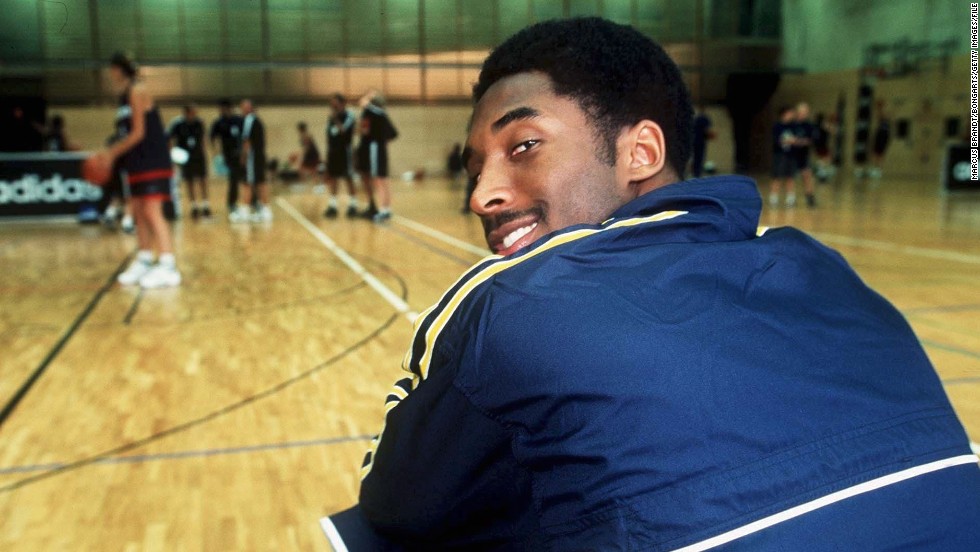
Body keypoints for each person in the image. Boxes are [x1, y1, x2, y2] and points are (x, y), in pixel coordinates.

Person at [322, 18, 980, 550]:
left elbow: (392, 505)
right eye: (476, 168)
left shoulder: (511, 300)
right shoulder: (822, 267)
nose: (483, 195)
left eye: (523, 146)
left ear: (641, 153)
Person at [93, 52, 180, 288]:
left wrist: (112, 153)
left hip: (152, 158)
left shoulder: (137, 90)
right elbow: (124, 133)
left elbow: (139, 133)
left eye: (111, 69)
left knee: (152, 210)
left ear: (118, 69)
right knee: (139, 210)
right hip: (136, 160)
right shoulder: (122, 97)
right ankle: (144, 260)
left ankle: (168, 266)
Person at [354, 91, 398, 223]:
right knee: (383, 178)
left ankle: (384, 210)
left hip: (374, 149)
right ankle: (386, 209)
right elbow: (394, 133)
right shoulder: (382, 115)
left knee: (378, 179)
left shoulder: (371, 112)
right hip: (380, 148)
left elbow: (364, 131)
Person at [231, 99, 272, 223]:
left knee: (247, 183)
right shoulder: (257, 120)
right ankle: (265, 210)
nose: (242, 109)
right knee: (259, 182)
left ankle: (245, 211)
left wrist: (243, 157)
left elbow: (247, 140)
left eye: (245, 107)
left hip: (252, 158)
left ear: (250, 108)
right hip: (259, 156)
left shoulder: (249, 120)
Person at [168, 104, 211, 219]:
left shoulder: (199, 123)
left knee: (202, 180)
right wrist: (172, 155)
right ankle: (194, 206)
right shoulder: (177, 124)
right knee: (189, 181)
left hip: (198, 155)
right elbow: (170, 139)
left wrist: (204, 153)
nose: (194, 114)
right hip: (185, 157)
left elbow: (203, 139)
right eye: (192, 112)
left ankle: (205, 204)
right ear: (186, 113)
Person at [323, 93, 359, 218]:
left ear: (342, 103)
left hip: (345, 151)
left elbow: (344, 131)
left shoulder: (348, 115)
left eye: (335, 104)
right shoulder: (330, 118)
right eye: (331, 104)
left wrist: (335, 119)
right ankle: (333, 206)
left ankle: (353, 205)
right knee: (333, 178)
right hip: (333, 152)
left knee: (348, 177)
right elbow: (329, 135)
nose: (333, 106)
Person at [210, 98, 245, 212]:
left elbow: (246, 137)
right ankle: (232, 203)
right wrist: (216, 153)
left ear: (229, 108)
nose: (222, 111)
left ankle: (252, 201)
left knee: (247, 179)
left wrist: (245, 152)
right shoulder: (219, 123)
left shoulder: (239, 120)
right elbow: (212, 138)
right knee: (233, 179)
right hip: (229, 156)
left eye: (223, 109)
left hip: (241, 154)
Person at [768, 105, 798, 207]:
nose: (792, 115)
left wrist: (795, 141)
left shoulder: (793, 126)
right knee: (777, 176)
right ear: (784, 114)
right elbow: (777, 140)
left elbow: (797, 139)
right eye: (790, 113)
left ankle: (790, 198)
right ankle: (773, 197)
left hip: (791, 154)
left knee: (790, 176)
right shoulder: (777, 126)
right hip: (779, 155)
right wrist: (787, 140)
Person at [791, 102, 818, 208]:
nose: (804, 114)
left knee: (807, 175)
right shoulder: (792, 124)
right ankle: (791, 198)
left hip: (804, 154)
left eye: (806, 112)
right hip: (792, 155)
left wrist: (802, 142)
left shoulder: (809, 125)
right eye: (802, 112)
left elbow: (811, 140)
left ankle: (810, 197)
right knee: (791, 177)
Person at [870, 100, 891, 179]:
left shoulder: (886, 114)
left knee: (880, 153)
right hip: (880, 133)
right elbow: (879, 116)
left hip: (884, 134)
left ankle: (878, 170)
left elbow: (886, 116)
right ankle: (875, 168)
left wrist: (881, 108)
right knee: (875, 152)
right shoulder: (879, 114)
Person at [691, 107, 713, 177]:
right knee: (699, 157)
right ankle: (697, 172)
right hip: (700, 141)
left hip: (695, 140)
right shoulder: (704, 119)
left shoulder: (695, 118)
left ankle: (695, 171)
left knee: (696, 157)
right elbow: (707, 131)